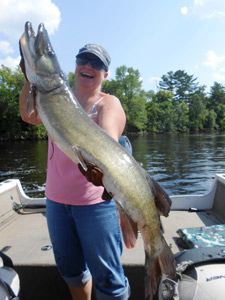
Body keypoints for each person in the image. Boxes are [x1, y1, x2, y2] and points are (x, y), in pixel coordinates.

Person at [19, 43, 130, 300]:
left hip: (95, 205)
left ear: (105, 74)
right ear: (76, 65)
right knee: (71, 271)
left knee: (108, 279)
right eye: (84, 59)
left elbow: (108, 141)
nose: (88, 66)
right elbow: (28, 114)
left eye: (97, 63)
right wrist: (29, 79)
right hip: (56, 202)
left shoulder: (108, 104)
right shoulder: (55, 98)